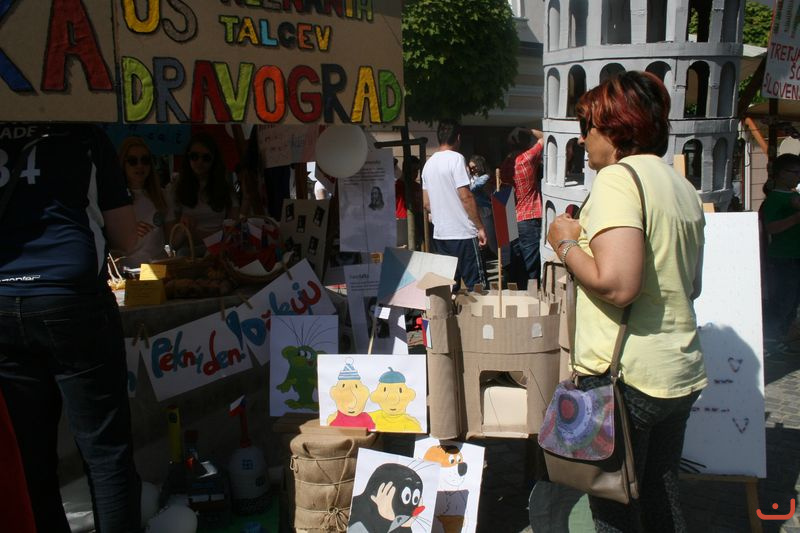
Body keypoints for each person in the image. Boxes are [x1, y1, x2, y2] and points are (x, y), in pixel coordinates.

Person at [545, 71, 706, 532]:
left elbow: (617, 285)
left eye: (588, 127)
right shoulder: (680, 186)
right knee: (659, 498)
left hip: (625, 376)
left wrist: (564, 242)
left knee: (614, 508)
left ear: (615, 129)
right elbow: (691, 284)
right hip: (676, 370)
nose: (582, 140)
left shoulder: (618, 179)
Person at [0, 123, 142, 532]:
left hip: (5, 299)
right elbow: (125, 236)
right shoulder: (80, 132)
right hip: (70, 296)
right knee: (106, 455)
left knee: (31, 458)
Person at [422, 120, 488, 290]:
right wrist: (480, 227)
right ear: (458, 138)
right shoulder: (457, 159)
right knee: (478, 288)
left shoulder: (428, 165)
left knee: (447, 289)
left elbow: (426, 203)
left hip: (441, 235)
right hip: (463, 233)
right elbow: (466, 197)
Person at [166, 132, 240, 254]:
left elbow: (234, 227)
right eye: (194, 156)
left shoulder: (225, 188)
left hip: (219, 251)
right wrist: (183, 228)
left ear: (214, 160)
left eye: (206, 158)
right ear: (188, 158)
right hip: (189, 253)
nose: (199, 162)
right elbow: (172, 243)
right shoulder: (175, 188)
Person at [760, 153, 800, 349]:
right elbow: (771, 228)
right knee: (783, 299)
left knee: (793, 301)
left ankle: (782, 337)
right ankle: (771, 339)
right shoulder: (775, 199)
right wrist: (795, 218)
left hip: (794, 255)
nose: (798, 177)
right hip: (782, 257)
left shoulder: (794, 196)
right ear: (782, 173)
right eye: (795, 172)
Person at [500, 127, 544, 289]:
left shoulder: (506, 164)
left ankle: (516, 293)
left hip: (509, 217)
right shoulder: (527, 158)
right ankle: (530, 295)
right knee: (531, 265)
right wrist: (528, 130)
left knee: (515, 262)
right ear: (526, 143)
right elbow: (545, 138)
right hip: (528, 217)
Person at [117, 136, 168, 269]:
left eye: (145, 160)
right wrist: (129, 231)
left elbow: (173, 239)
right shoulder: (114, 198)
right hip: (128, 268)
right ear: (123, 164)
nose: (140, 166)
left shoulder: (162, 195)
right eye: (133, 161)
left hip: (158, 266)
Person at [468, 155, 498, 254]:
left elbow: (473, 188)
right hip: (476, 211)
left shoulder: (486, 177)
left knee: (490, 237)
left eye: (474, 167)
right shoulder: (473, 177)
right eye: (471, 168)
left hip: (486, 210)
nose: (473, 170)